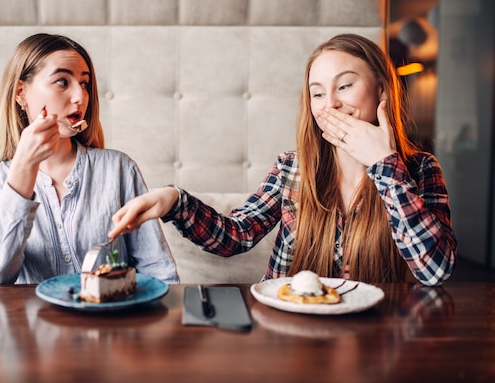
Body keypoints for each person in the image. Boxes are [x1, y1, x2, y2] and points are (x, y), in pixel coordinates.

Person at [109, 33, 457, 286]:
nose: (330, 104)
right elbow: (235, 236)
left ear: (382, 90)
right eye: (317, 93)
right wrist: (174, 201)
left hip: (381, 336)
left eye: (345, 86)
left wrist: (384, 164)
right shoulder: (293, 167)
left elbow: (436, 271)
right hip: (294, 332)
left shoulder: (420, 170)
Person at [0, 33, 179, 284]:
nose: (80, 97)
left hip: (112, 321)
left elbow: (160, 273)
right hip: (28, 323)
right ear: (21, 93)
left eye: (84, 83)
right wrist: (24, 168)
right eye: (61, 81)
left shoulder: (118, 169)